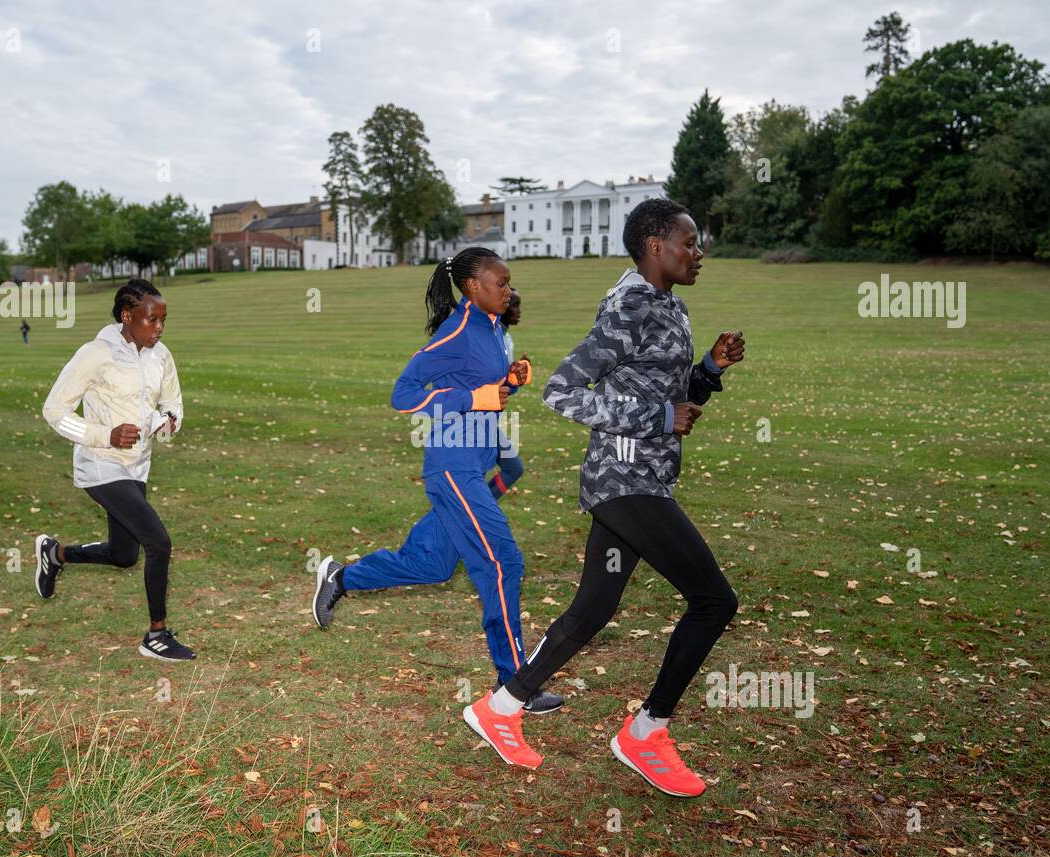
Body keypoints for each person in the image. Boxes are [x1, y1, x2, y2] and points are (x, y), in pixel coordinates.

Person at [462, 198, 745, 796]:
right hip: (623, 479)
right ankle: (646, 733)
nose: (700, 253)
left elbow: (675, 395)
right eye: (689, 243)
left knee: (592, 611)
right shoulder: (629, 306)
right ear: (653, 245)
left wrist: (710, 370)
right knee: (713, 600)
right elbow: (562, 391)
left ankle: (501, 708)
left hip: (645, 477)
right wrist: (656, 417)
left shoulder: (671, 304)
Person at [311, 247, 562, 713]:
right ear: (472, 287)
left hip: (475, 461)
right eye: (500, 283)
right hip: (452, 464)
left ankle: (342, 578)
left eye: (509, 282)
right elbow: (403, 394)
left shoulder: (490, 327)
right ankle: (515, 685)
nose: (508, 290)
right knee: (502, 561)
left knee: (432, 566)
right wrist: (476, 396)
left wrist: (509, 380)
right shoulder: (460, 329)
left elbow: (483, 388)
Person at [33, 277, 194, 662]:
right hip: (100, 465)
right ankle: (156, 635)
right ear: (127, 316)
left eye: (163, 320)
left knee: (124, 555)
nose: (159, 328)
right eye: (151, 320)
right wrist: (105, 435)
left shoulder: (161, 355)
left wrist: (168, 422)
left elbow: (174, 404)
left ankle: (55, 555)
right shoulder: (95, 354)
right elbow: (54, 412)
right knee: (159, 542)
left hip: (137, 468)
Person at [488, 290, 526, 500]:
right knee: (513, 467)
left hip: (490, 419)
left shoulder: (506, 337)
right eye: (514, 305)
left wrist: (516, 377)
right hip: (476, 420)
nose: (518, 311)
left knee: (513, 468)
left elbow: (504, 386)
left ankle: (477, 512)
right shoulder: (492, 338)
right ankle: (476, 513)